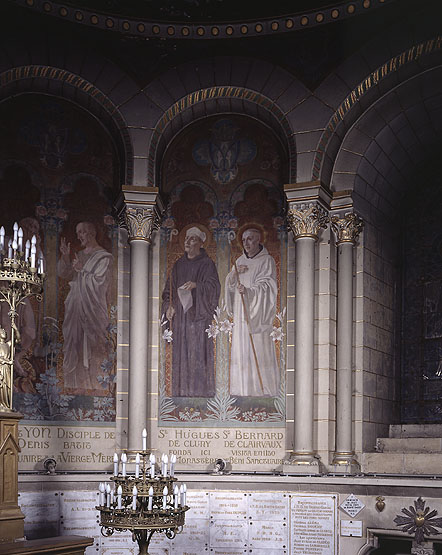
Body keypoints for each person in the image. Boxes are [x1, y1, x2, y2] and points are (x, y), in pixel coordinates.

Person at [162, 226, 220, 397]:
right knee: (181, 355)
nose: (187, 241)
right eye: (186, 238)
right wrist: (168, 306)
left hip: (199, 319)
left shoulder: (207, 264)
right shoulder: (178, 265)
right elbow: (168, 292)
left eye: (192, 239)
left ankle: (201, 395)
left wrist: (197, 286)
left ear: (201, 243)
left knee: (197, 354)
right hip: (181, 319)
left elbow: (214, 288)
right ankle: (181, 394)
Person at [57, 221, 112, 390]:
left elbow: (100, 283)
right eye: (78, 232)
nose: (79, 236)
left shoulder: (104, 257)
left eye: (81, 232)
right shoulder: (79, 255)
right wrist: (66, 257)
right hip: (75, 307)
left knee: (93, 347)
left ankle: (95, 386)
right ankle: (74, 385)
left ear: (91, 233)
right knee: (73, 345)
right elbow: (64, 274)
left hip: (93, 311)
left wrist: (83, 271)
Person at [225, 227, 280, 397]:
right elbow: (229, 286)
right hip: (242, 315)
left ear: (258, 240)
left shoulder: (266, 261)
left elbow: (268, 286)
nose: (246, 243)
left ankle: (263, 391)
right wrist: (233, 276)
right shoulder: (239, 261)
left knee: (258, 349)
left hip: (257, 317)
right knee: (241, 349)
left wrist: (249, 292)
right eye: (243, 240)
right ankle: (241, 391)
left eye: (250, 239)